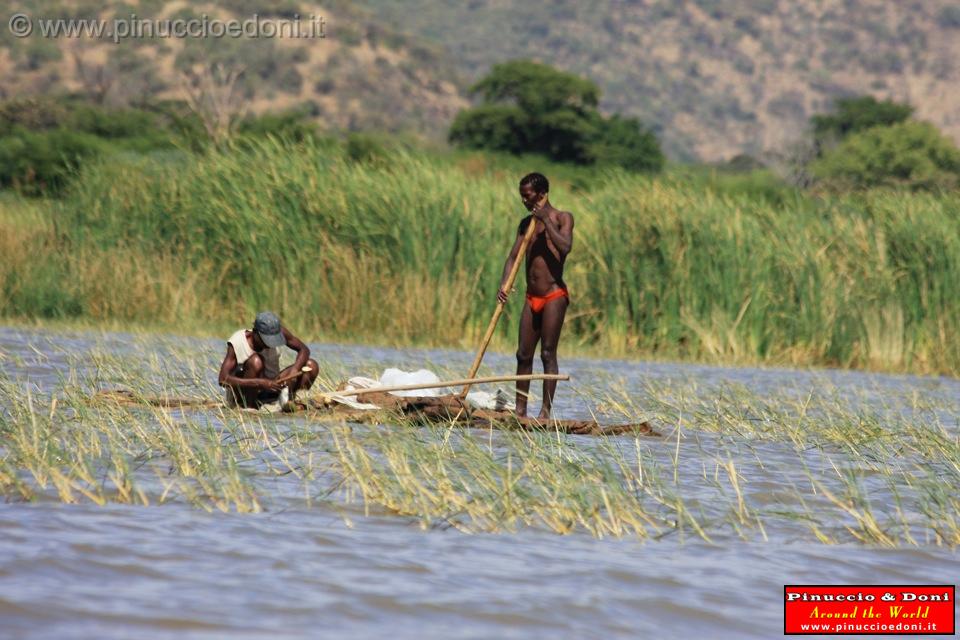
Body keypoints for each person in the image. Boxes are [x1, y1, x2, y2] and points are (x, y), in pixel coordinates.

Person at [497, 173, 574, 418]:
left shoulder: (562, 218)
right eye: (521, 196)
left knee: (547, 353)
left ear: (541, 194)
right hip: (532, 298)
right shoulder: (525, 224)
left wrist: (546, 222)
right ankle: (520, 411)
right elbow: (512, 258)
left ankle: (544, 412)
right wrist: (505, 283)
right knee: (523, 354)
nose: (524, 201)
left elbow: (565, 247)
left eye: (527, 196)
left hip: (554, 296)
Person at [217, 311, 319, 408]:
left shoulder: (278, 332)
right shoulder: (238, 341)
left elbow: (304, 349)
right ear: (255, 332)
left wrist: (295, 369)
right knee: (256, 361)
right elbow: (223, 379)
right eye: (266, 340)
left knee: (311, 365)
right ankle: (250, 407)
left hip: (273, 386)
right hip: (245, 393)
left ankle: (291, 402)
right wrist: (260, 383)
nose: (270, 344)